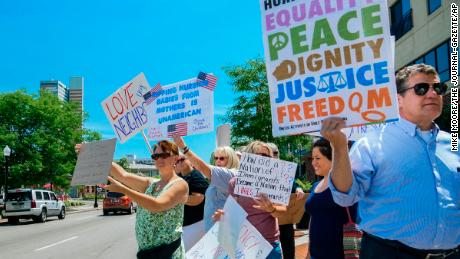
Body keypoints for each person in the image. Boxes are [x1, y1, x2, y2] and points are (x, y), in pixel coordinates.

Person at [322, 64, 459, 258]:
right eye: (421, 88)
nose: (432, 94)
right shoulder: (371, 141)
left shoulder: (455, 144)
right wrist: (338, 146)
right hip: (389, 253)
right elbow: (345, 197)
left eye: (438, 88)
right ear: (398, 99)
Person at [104, 140, 189, 259]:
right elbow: (122, 175)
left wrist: (124, 190)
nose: (159, 159)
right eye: (156, 156)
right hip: (147, 253)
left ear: (175, 158)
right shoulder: (151, 183)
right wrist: (94, 156)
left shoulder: (180, 184)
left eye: (164, 155)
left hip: (168, 253)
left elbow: (157, 205)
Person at [215, 141, 288, 259]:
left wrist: (272, 208)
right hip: (245, 244)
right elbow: (232, 212)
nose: (264, 159)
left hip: (270, 244)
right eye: (260, 156)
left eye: (267, 156)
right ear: (249, 157)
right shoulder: (235, 182)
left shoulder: (276, 180)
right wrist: (223, 215)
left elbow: (283, 212)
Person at [172, 134, 240, 231]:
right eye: (216, 158)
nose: (218, 161)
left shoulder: (230, 174)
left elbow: (202, 167)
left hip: (225, 230)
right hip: (213, 229)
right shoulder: (219, 177)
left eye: (222, 158)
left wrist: (184, 148)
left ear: (231, 159)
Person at [304, 139, 358, 259]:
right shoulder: (315, 186)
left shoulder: (346, 184)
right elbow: (314, 218)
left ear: (332, 157)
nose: (313, 163)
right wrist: (308, 252)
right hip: (316, 254)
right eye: (312, 158)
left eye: (317, 158)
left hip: (341, 253)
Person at [267, 142, 305, 259]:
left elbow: (292, 184)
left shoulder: (284, 170)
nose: (274, 155)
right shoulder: (258, 172)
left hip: (284, 217)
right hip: (267, 218)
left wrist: (298, 189)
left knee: (288, 246)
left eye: (276, 152)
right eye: (270, 153)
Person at [175, 155, 209, 251]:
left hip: (195, 224)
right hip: (184, 225)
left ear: (191, 162)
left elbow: (199, 198)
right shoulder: (180, 177)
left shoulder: (195, 175)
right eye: (177, 161)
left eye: (182, 159)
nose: (179, 162)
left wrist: (176, 199)